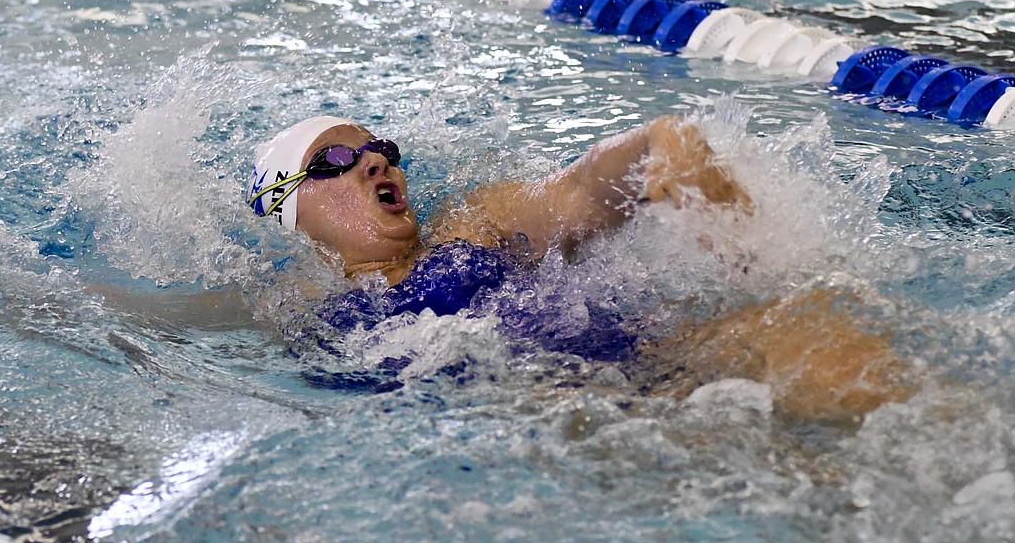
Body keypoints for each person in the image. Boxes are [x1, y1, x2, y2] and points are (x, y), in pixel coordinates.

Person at [247, 115, 912, 423]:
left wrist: (662, 143)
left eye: (379, 148)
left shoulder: (472, 225)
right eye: (335, 160)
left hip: (669, 356)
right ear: (290, 212)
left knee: (816, 334)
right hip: (565, 419)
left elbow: (582, 190)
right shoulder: (300, 313)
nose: (375, 161)